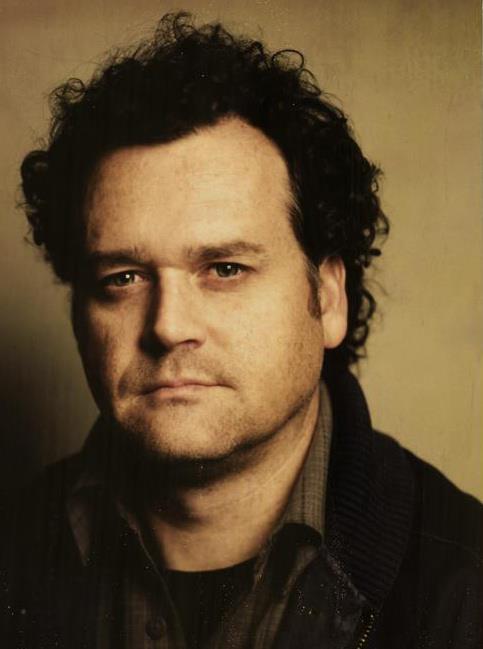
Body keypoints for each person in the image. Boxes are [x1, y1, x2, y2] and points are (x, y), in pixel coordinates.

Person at [1, 11, 481, 649]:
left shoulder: (464, 587)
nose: (168, 326)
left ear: (327, 297)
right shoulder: (14, 550)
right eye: (123, 278)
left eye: (225, 269)